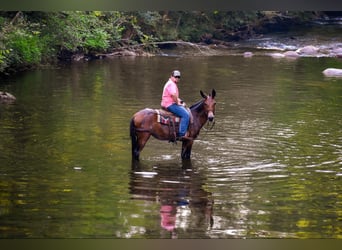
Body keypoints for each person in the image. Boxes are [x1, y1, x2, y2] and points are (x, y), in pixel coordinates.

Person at [161, 70, 192, 140]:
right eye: (176, 76)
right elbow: (173, 95)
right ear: (171, 76)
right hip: (169, 104)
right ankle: (181, 135)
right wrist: (178, 103)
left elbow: (174, 96)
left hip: (168, 102)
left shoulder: (171, 83)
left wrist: (180, 101)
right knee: (186, 115)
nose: (177, 78)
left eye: (178, 77)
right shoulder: (171, 84)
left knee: (184, 109)